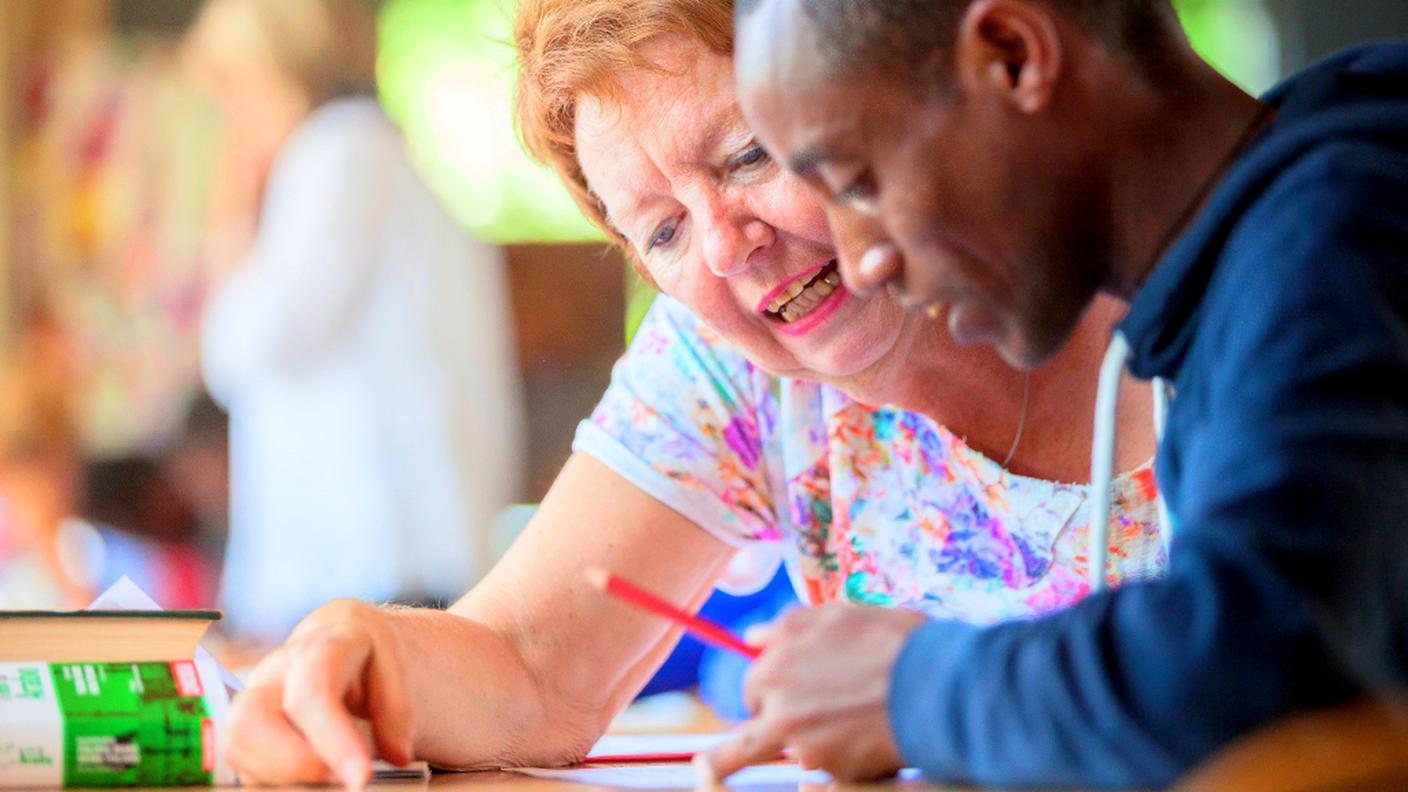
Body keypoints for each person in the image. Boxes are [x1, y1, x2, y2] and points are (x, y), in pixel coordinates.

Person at [218, 0, 1169, 784]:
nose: (725, 244)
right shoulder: (732, 359)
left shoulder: (1207, 284)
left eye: (750, 154)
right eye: (662, 231)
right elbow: (531, 663)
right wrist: (360, 657)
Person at [726, 0, 1408, 786]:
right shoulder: (1243, 275)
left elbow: (1261, 674)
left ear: (1012, 55)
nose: (861, 260)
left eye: (858, 182)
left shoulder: (1340, 239)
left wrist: (911, 689)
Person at [186, 0, 525, 640]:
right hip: (395, 551)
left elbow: (248, 348)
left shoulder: (337, 155)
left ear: (274, 71)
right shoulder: (373, 155)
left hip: (371, 559)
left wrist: (230, 214)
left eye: (233, 87)